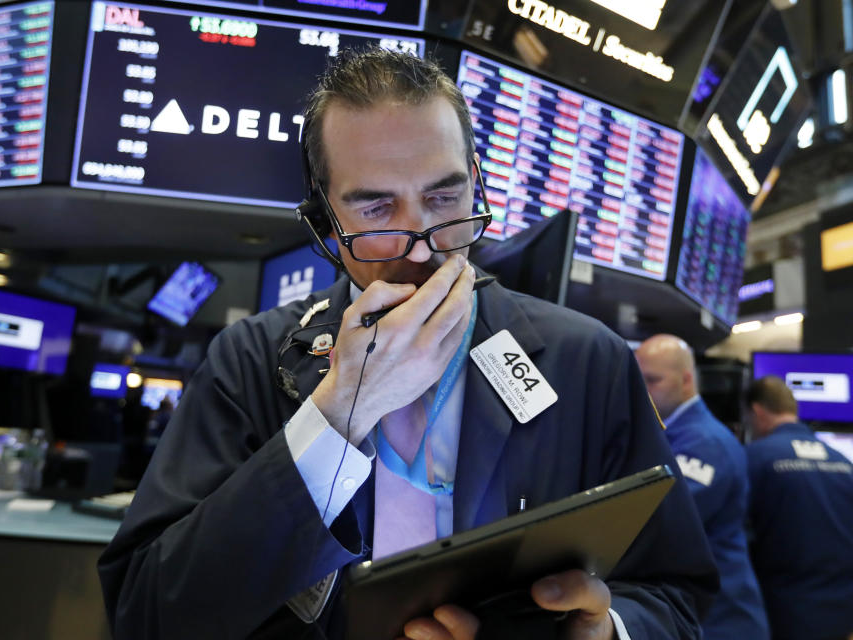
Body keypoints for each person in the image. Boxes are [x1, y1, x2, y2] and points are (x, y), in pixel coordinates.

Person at [98, 48, 717, 639]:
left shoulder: (588, 360)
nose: (422, 246)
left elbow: (674, 590)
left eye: (445, 197)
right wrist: (340, 412)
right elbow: (147, 615)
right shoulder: (251, 362)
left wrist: (607, 630)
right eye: (376, 209)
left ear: (476, 180)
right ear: (324, 224)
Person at [635, 335, 768, 639]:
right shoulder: (675, 434)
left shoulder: (705, 444)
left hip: (723, 619)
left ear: (686, 380)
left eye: (652, 381)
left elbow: (654, 520)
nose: (642, 392)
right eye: (637, 380)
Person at [744, 376, 853, 640]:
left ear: (756, 411)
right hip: (842, 613)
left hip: (783, 612)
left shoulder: (753, 459)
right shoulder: (843, 463)